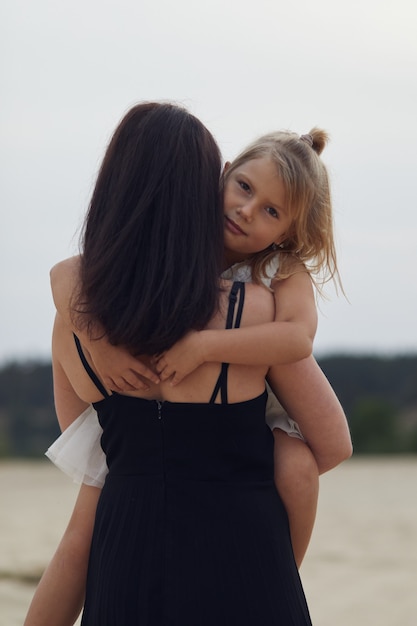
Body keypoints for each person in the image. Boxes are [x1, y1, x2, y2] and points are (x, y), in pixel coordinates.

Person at [24, 101, 316, 625]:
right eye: (240, 187)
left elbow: (85, 442)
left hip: (123, 559)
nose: (246, 210)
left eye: (270, 210)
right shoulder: (253, 310)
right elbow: (332, 438)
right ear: (210, 183)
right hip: (245, 561)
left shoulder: (72, 315)